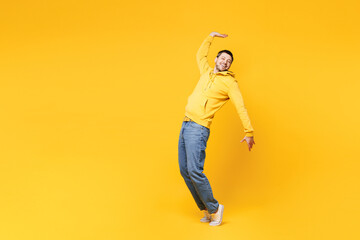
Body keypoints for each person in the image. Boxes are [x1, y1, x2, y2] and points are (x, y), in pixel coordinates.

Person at [178, 31, 255, 226]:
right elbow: (200, 55)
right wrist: (210, 37)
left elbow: (241, 107)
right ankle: (205, 208)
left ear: (229, 65)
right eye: (222, 58)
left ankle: (215, 208)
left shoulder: (230, 83)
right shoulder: (205, 71)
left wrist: (249, 132)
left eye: (228, 61)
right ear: (216, 59)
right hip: (186, 123)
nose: (225, 62)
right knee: (185, 170)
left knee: (195, 170)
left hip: (199, 128)